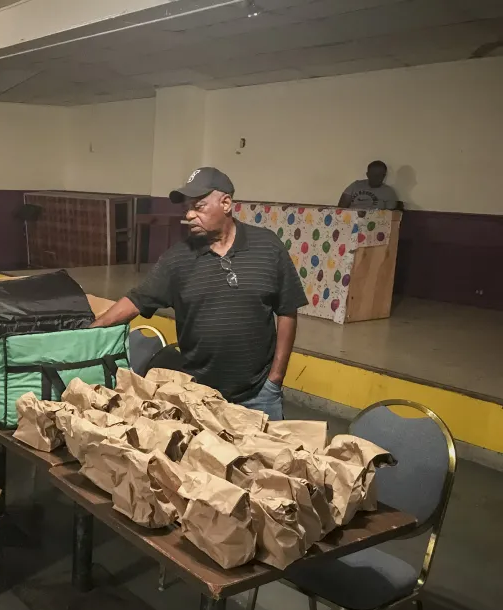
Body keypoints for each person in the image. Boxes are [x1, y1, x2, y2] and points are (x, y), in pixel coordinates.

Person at [92, 167, 307, 421]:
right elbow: (136, 300)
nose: (190, 215)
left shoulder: (268, 247)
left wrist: (275, 379)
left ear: (225, 203)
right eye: (187, 208)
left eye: (199, 206)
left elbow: (287, 310)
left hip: (259, 396)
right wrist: (91, 329)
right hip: (199, 397)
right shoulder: (177, 260)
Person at [337, 160, 402, 210]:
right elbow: (340, 208)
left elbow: (390, 216)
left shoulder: (389, 192)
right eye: (373, 174)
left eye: (379, 175)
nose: (376, 177)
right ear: (367, 174)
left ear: (384, 176)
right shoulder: (355, 185)